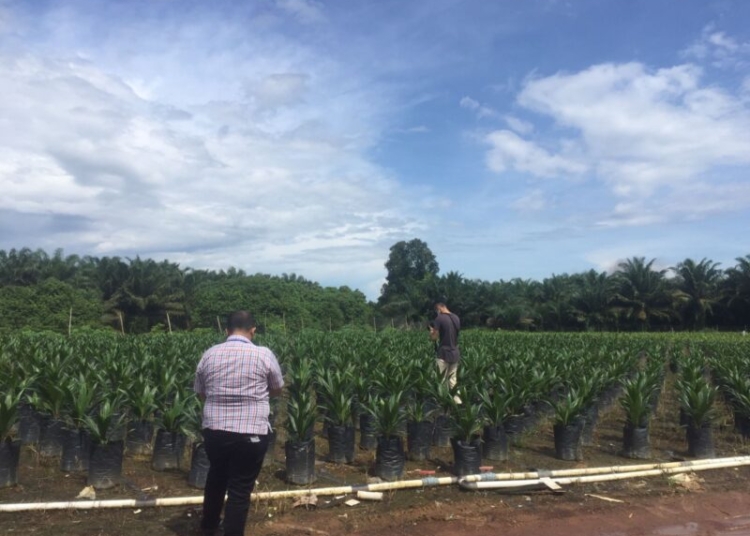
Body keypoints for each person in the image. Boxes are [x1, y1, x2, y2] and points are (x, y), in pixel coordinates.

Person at [194, 310, 284, 536]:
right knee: (240, 490)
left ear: (226, 330)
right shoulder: (263, 354)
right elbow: (277, 388)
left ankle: (208, 527)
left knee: (216, 477)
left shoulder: (210, 354)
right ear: (253, 330)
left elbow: (201, 392)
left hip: (215, 431)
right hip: (250, 433)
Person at [429, 300, 461, 402]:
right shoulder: (456, 318)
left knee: (441, 381)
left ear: (439, 309)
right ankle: (458, 403)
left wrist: (431, 332)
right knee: (453, 380)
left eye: (437, 311)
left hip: (443, 353)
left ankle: (443, 403)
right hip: (455, 353)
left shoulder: (439, 318)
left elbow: (434, 338)